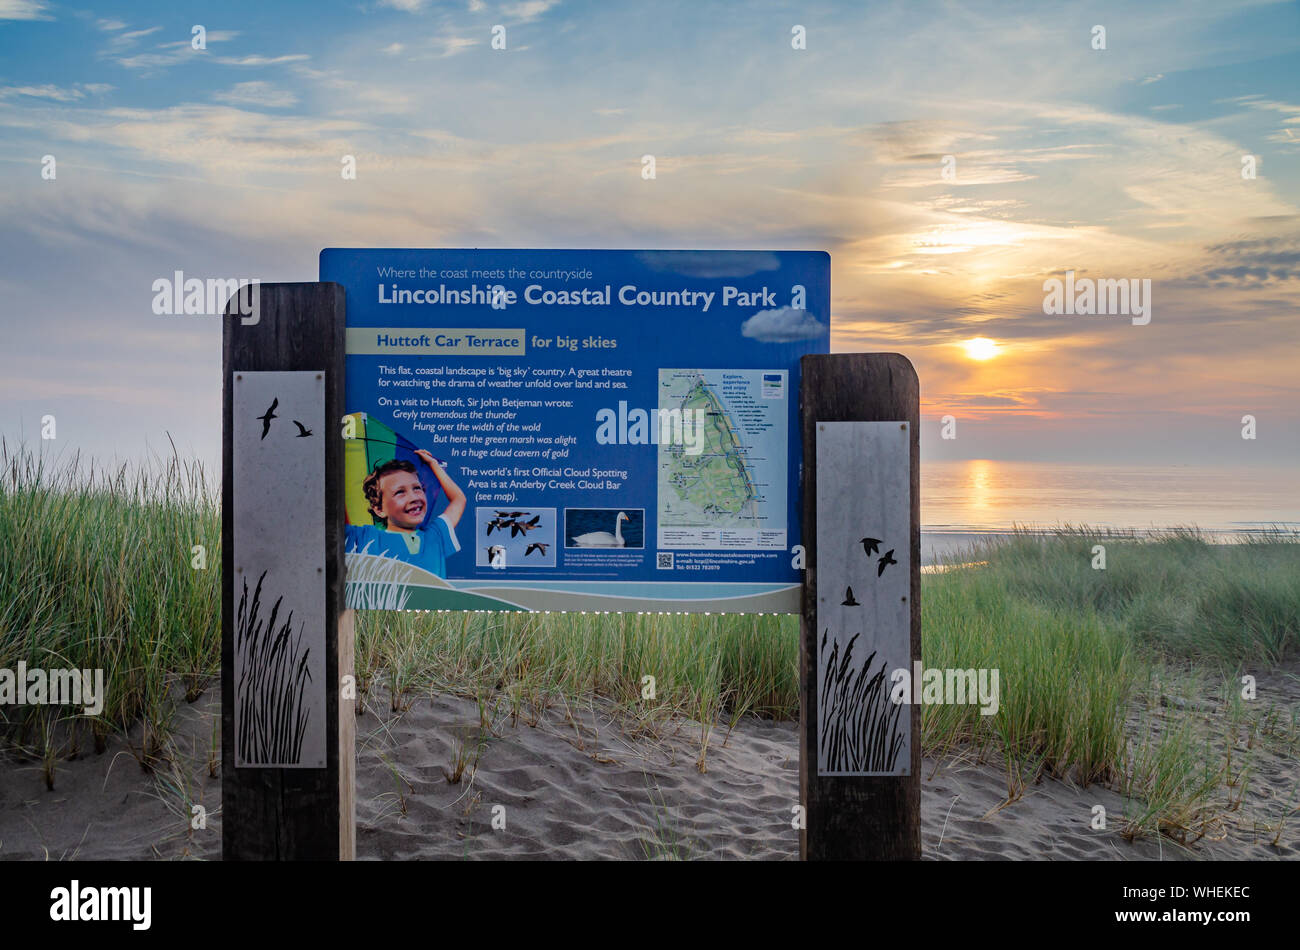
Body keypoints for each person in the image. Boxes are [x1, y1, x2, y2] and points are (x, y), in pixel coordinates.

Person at [345, 449, 466, 578]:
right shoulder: (364, 537)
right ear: (379, 509)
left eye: (417, 488)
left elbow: (459, 499)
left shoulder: (435, 536)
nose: (414, 497)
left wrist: (433, 465)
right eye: (400, 492)